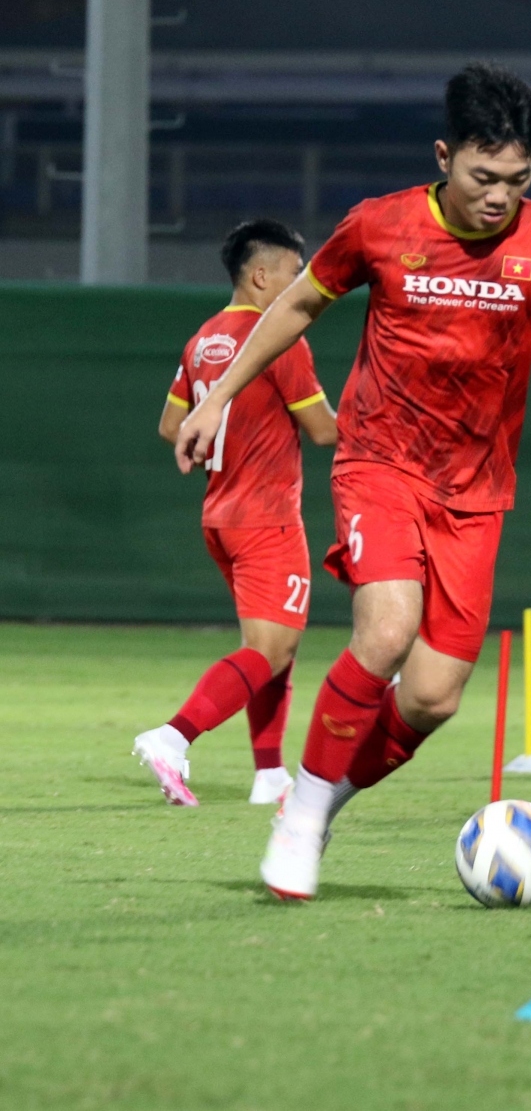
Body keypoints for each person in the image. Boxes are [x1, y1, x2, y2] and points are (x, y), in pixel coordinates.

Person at [174, 62, 531, 899]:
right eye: (482, 176)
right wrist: (224, 397)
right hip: (380, 461)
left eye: (518, 179)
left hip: (478, 491)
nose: (499, 196)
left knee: (431, 697)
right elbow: (297, 308)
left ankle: (327, 792)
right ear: (443, 154)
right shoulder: (379, 225)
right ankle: (303, 811)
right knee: (386, 631)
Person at [135, 219, 338, 807]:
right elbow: (324, 431)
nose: (302, 284)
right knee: (269, 651)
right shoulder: (280, 338)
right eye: (294, 272)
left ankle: (270, 775)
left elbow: (173, 427)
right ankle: (173, 738)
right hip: (268, 516)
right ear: (260, 275)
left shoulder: (203, 339)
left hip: (220, 516)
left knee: (275, 649)